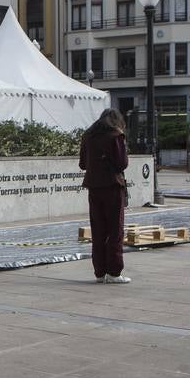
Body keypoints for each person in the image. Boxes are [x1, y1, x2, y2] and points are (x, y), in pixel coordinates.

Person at [79, 108, 130, 284]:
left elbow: (82, 164)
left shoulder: (88, 136)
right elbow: (122, 164)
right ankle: (114, 272)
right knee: (115, 230)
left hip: (93, 186)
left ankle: (99, 272)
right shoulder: (116, 136)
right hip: (112, 186)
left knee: (98, 230)